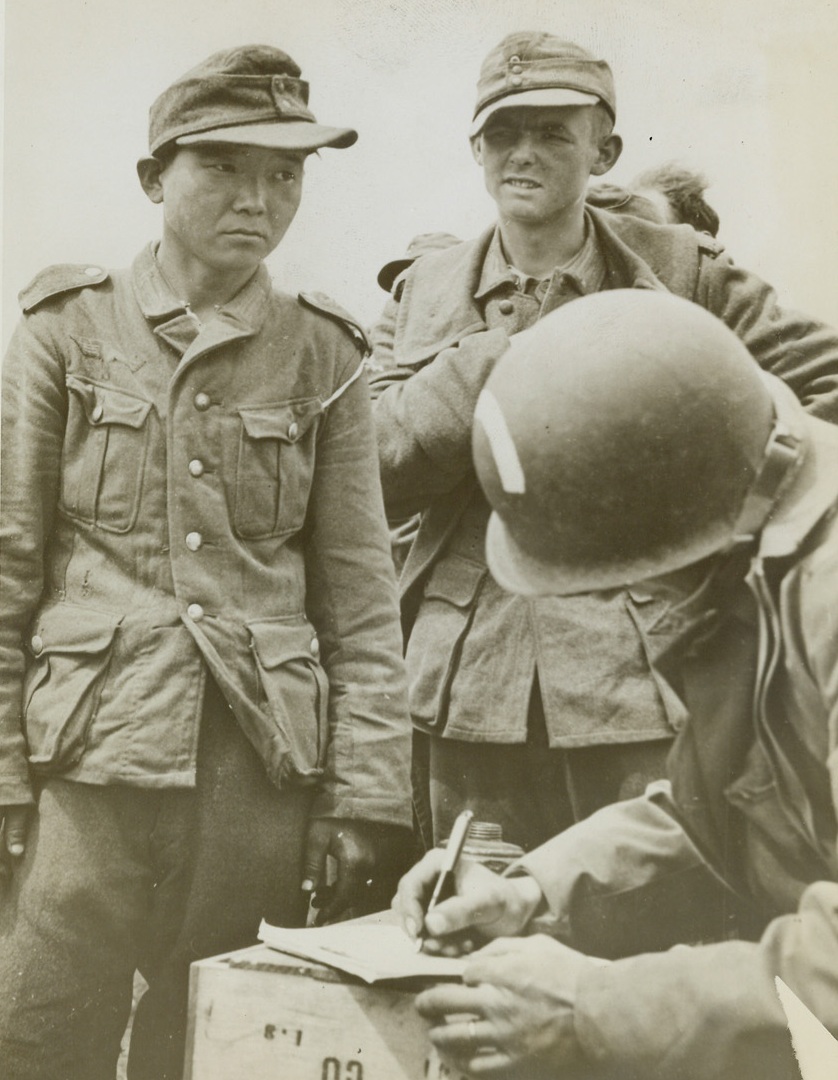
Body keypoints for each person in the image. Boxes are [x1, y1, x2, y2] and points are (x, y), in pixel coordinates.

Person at [0, 45, 412, 1080]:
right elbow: (10, 563)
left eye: (285, 174)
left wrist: (362, 796)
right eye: (223, 166)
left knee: (219, 1052)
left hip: (256, 774)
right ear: (155, 178)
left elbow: (360, 596)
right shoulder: (67, 328)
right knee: (36, 1038)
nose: (258, 199)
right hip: (86, 763)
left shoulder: (327, 354)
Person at [369, 29, 838, 854]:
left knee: (647, 904)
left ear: (605, 149)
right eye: (505, 133)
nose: (525, 153)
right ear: (476, 148)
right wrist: (491, 361)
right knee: (467, 921)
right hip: (469, 682)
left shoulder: (682, 271)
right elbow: (363, 469)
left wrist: (725, 517)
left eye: (554, 132)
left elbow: (822, 391)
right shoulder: (422, 297)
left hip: (638, 673)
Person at [393, 289, 838, 1080]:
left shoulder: (823, 593)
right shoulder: (761, 543)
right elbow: (736, 802)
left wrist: (591, 1006)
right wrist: (529, 891)